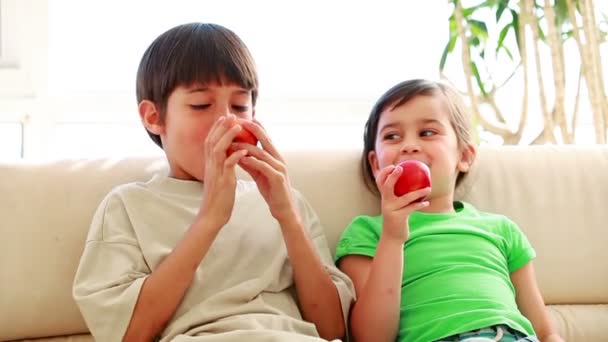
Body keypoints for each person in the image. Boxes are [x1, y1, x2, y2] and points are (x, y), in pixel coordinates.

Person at [72, 22, 354, 342]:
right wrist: (210, 220)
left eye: (239, 106)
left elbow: (334, 330)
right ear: (154, 117)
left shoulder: (288, 203)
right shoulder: (127, 206)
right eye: (201, 105)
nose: (228, 121)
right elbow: (128, 334)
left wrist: (288, 217)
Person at [334, 79, 564, 342]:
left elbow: (546, 332)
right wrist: (393, 236)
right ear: (375, 164)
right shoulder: (368, 232)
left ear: (464, 156)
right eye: (392, 136)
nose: (409, 145)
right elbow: (371, 338)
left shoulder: (501, 229)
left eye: (428, 132)